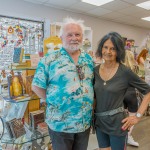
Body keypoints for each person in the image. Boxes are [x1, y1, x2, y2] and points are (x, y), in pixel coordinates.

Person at [32, 17, 94, 150]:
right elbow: (36, 86)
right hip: (60, 123)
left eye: (77, 34)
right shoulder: (49, 59)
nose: (74, 38)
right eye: (69, 34)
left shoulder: (88, 59)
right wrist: (52, 101)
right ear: (61, 38)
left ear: (82, 37)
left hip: (84, 122)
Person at [94, 32, 150, 150]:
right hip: (99, 122)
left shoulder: (125, 72)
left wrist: (137, 116)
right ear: (101, 48)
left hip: (118, 123)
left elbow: (148, 92)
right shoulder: (95, 71)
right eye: (105, 47)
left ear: (119, 51)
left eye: (113, 49)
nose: (108, 52)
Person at [123, 50, 139, 147]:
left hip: (120, 94)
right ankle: (128, 136)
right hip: (131, 94)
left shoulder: (117, 68)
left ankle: (123, 135)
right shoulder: (134, 68)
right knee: (132, 116)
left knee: (122, 116)